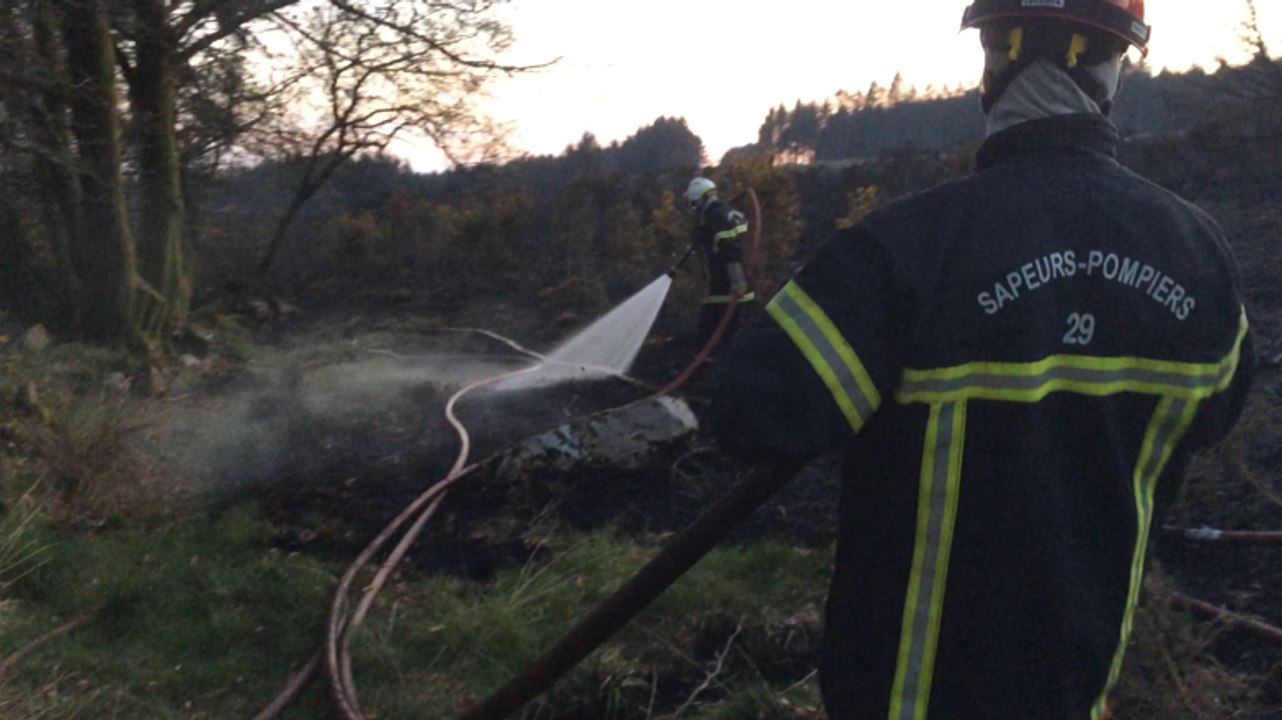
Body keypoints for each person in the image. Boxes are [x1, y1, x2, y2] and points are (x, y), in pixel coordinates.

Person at [712, 1, 1256, 718]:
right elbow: (1211, 418)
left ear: (997, 58)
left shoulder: (907, 250)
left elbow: (751, 412)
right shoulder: (1200, 258)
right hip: (1076, 696)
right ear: (1116, 65)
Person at [683, 177, 755, 345]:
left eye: (693, 202)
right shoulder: (721, 212)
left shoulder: (715, 216)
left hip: (729, 288)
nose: (692, 207)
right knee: (717, 333)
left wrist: (737, 282)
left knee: (718, 335)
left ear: (700, 199)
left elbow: (730, 250)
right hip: (727, 287)